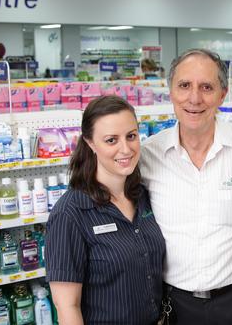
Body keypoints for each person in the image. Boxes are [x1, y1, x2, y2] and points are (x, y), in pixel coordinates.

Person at [141, 49, 232, 325]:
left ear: (222, 94)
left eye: (206, 87)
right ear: (170, 92)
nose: (194, 98)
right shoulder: (148, 156)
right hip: (172, 306)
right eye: (184, 85)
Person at [46, 95, 165, 325]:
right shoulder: (70, 214)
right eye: (111, 140)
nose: (125, 149)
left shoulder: (142, 196)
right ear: (90, 143)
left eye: (131, 136)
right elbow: (67, 306)